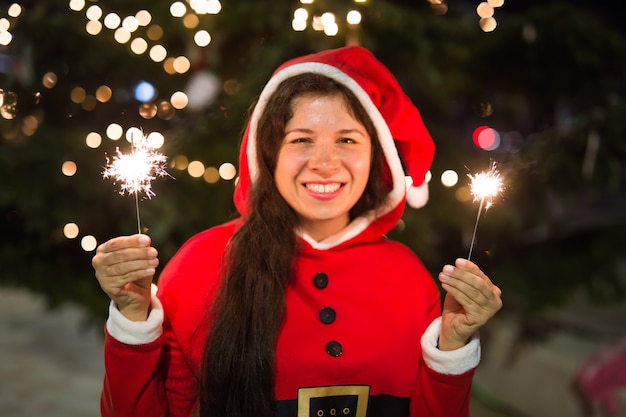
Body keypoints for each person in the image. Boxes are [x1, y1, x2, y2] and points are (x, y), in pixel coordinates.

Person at [92, 45, 502, 417]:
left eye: (347, 140)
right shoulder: (201, 264)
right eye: (301, 140)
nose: (325, 162)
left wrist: (452, 347)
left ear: (375, 156)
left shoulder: (410, 278)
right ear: (269, 154)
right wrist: (132, 323)